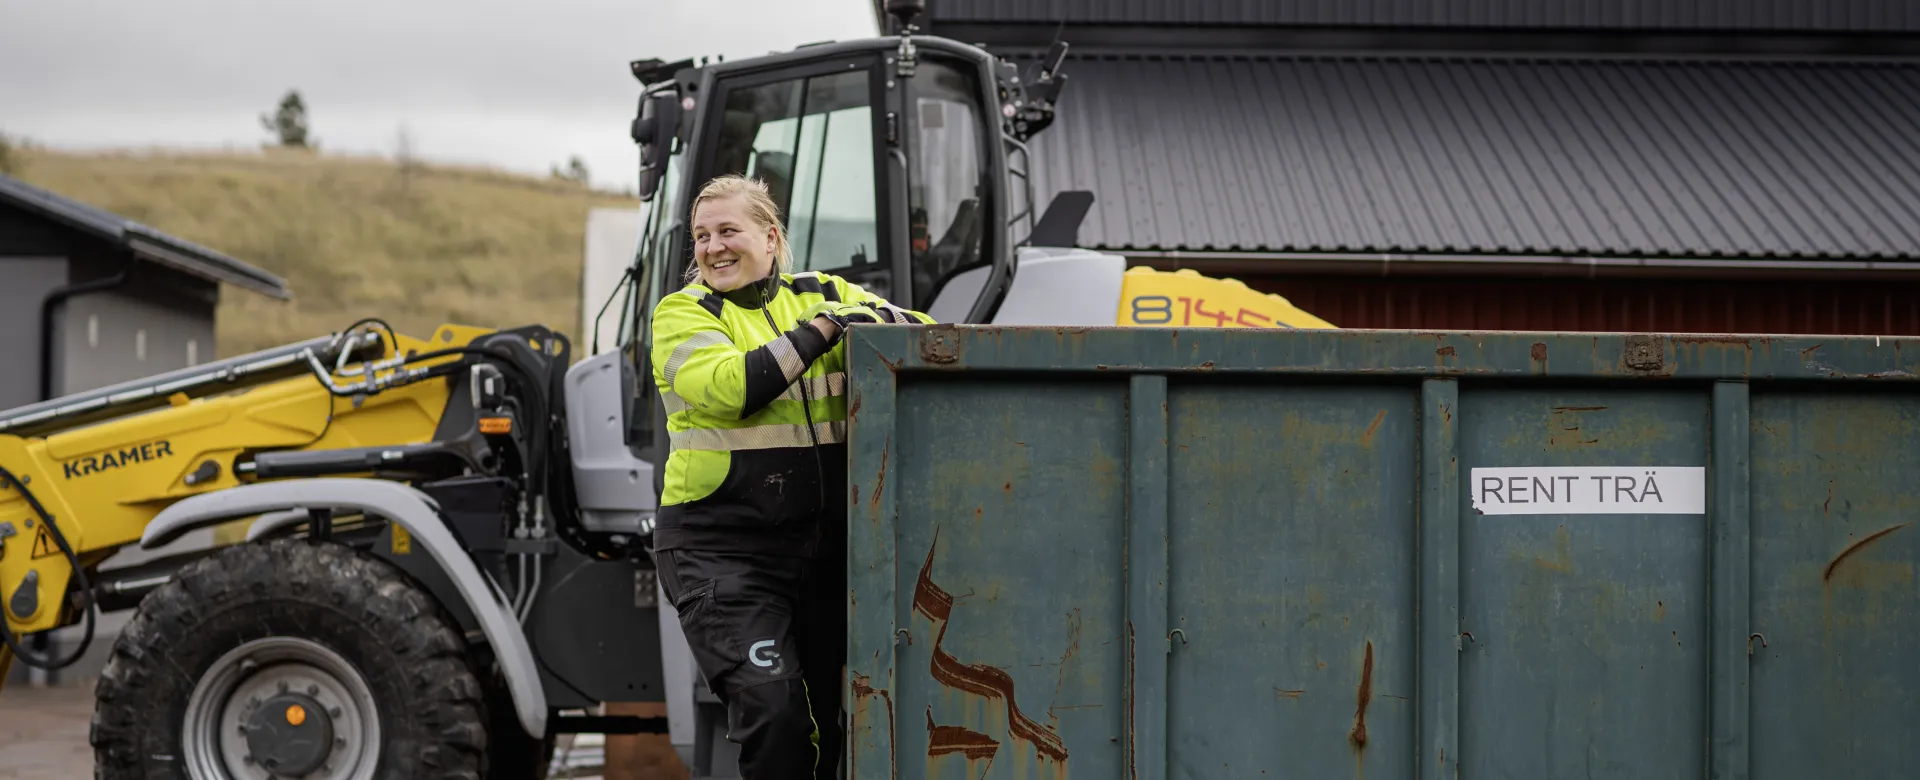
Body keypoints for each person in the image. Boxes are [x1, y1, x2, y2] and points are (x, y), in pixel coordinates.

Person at [647, 174, 934, 779]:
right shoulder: (681, 314)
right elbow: (733, 388)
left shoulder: (819, 290)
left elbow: (922, 331)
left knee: (838, 728)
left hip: (822, 553)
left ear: (771, 237)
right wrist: (827, 329)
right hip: (721, 554)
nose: (712, 247)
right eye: (701, 236)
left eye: (729, 231)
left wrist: (870, 314)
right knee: (778, 717)